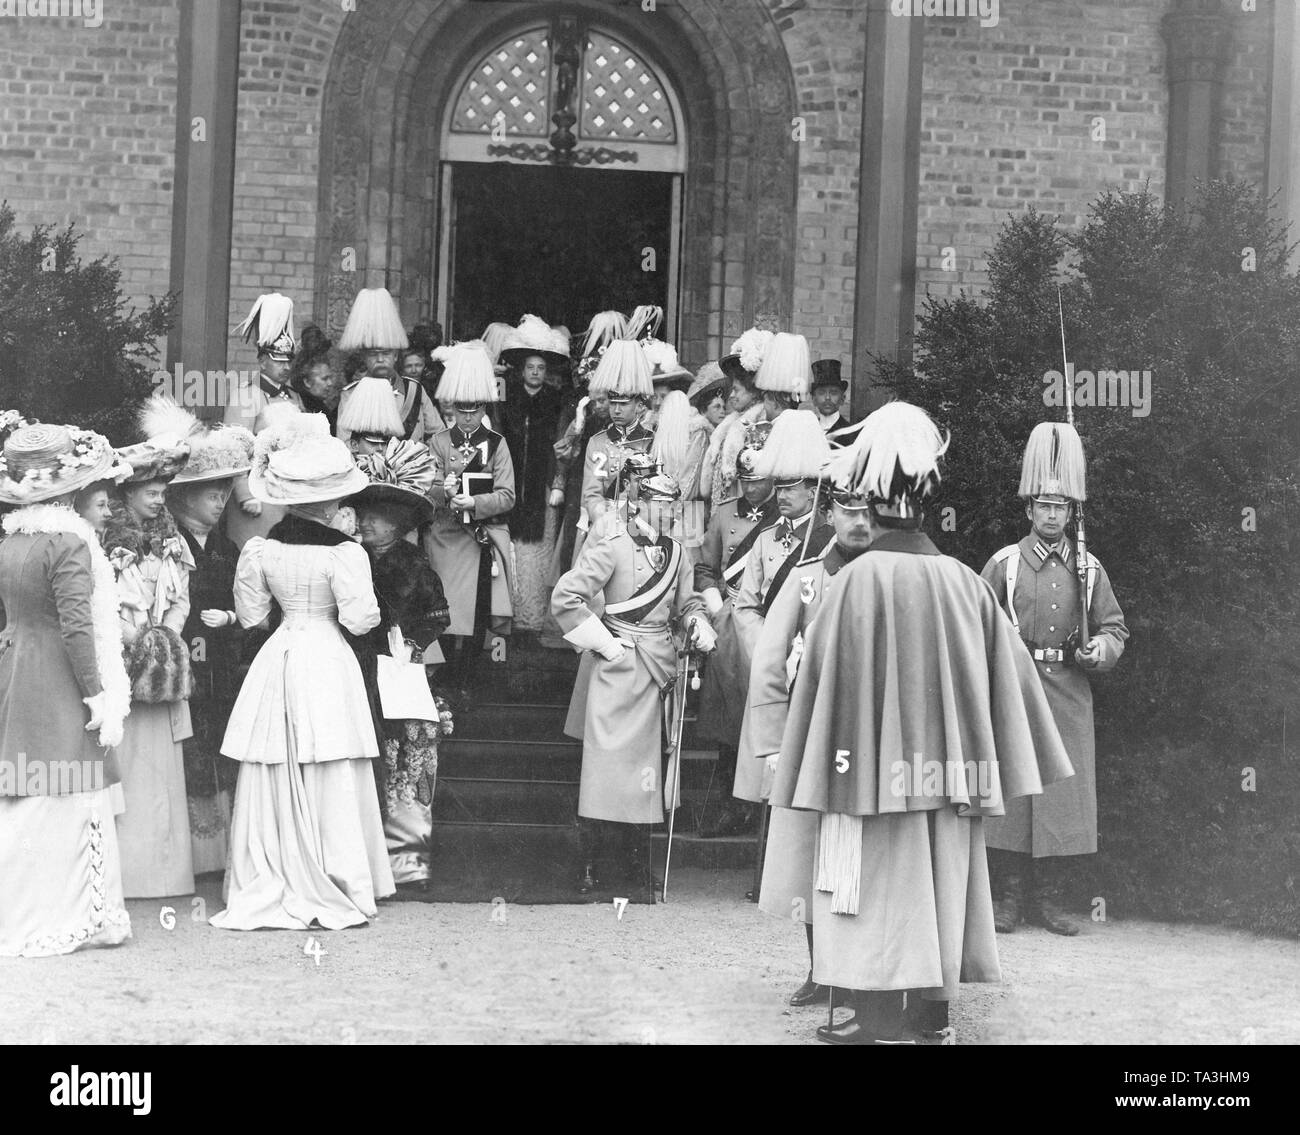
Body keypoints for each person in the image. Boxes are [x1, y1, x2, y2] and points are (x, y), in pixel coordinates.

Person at [768, 402, 1073, 1045]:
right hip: (947, 772)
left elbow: (819, 682)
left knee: (876, 879)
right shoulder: (965, 583)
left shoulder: (852, 583)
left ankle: (876, 1014)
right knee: (943, 875)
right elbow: (1011, 682)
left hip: (869, 772)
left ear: (873, 499)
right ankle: (934, 1015)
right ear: (927, 497)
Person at [212, 412, 393, 930]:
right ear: (333, 500)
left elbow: (251, 617)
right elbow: (361, 620)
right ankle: (338, 875)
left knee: (277, 757)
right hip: (326, 654)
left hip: (281, 652)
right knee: (329, 756)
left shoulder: (261, 548)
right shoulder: (345, 553)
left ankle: (274, 872)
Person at [981, 422, 1128, 936]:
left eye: (1060, 507)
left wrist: (1099, 649)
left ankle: (1050, 898)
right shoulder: (1004, 564)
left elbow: (1115, 627)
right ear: (1028, 509)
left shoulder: (1088, 568)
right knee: (1014, 795)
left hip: (1068, 688)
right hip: (1017, 690)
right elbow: (977, 625)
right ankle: (1008, 898)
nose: (1051, 515)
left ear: (1072, 512)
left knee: (1060, 795)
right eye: (1043, 505)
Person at [742, 467, 875, 1006]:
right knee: (812, 858)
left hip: (873, 739)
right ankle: (822, 969)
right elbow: (771, 662)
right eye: (847, 511)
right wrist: (774, 744)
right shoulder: (806, 576)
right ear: (829, 514)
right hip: (813, 737)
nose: (859, 522)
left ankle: (866, 972)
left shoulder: (894, 575)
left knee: (870, 855)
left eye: (867, 512)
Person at [0, 423, 133, 957]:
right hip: (56, 671)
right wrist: (99, 693)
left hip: (16, 665)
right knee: (66, 790)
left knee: (27, 790)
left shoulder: (13, 539)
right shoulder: (70, 541)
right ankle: (61, 916)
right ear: (73, 489)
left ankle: (46, 910)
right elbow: (78, 626)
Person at [553, 463, 717, 895]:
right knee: (605, 770)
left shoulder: (679, 553)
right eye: (660, 504)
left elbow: (686, 603)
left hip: (659, 670)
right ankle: (594, 865)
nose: (669, 512)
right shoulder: (612, 543)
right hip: (618, 666)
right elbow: (566, 597)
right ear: (640, 502)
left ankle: (637, 866)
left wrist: (698, 620)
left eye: (673, 505)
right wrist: (603, 644)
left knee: (647, 771)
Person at [346, 444, 451, 890]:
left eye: (377, 515)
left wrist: (411, 642)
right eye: (363, 514)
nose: (366, 522)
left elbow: (439, 615)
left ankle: (406, 864)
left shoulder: (415, 564)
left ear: (398, 523)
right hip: (356, 668)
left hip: (401, 672)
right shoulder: (348, 558)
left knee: (406, 762)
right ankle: (361, 862)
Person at [105, 402, 198, 900]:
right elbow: (103, 603)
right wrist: (134, 639)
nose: (159, 501)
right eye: (150, 492)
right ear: (129, 492)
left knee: (160, 771)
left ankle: (162, 872)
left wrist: (166, 636)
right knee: (127, 765)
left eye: (163, 493)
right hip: (124, 661)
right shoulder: (108, 542)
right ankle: (128, 872)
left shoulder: (172, 542)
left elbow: (181, 596)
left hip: (160, 664)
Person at [729, 410, 833, 809]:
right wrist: (770, 655)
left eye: (792, 488)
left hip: (812, 669)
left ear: (813, 490)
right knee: (767, 781)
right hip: (773, 670)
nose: (782, 495)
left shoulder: (831, 540)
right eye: (780, 487)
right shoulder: (765, 540)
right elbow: (746, 606)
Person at [166, 419, 256, 878]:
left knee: (219, 742)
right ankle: (192, 853)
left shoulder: (227, 546)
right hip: (181, 659)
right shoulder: (169, 543)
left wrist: (234, 619)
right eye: (211, 495)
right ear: (185, 497)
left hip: (220, 660)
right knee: (191, 745)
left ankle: (221, 849)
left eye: (224, 495)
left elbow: (250, 603)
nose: (221, 503)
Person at [694, 424, 778, 837]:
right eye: (745, 480)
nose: (750, 488)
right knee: (729, 720)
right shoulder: (724, 512)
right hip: (730, 626)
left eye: (758, 481)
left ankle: (760, 807)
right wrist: (716, 607)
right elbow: (705, 569)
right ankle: (729, 804)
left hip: (769, 623)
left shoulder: (786, 517)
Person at [424, 340, 516, 704]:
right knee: (442, 608)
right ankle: (441, 678)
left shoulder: (497, 444)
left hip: (478, 538)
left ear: (483, 407)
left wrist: (475, 502)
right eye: (460, 410)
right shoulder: (437, 442)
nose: (466, 418)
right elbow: (425, 488)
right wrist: (442, 491)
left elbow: (508, 495)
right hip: (444, 535)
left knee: (476, 613)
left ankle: (467, 678)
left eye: (474, 410)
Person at [499, 316, 569, 631]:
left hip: (540, 486)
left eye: (541, 368)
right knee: (513, 548)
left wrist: (557, 482)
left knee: (538, 550)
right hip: (512, 484)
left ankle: (534, 614)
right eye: (531, 368)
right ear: (523, 370)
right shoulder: (507, 398)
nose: (536, 373)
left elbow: (561, 443)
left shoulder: (554, 401)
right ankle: (509, 611)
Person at [225, 292, 303, 549]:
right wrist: (244, 494)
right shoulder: (247, 395)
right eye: (277, 360)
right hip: (258, 493)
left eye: (288, 360)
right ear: (262, 360)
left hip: (289, 493)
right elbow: (235, 448)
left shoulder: (294, 398)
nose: (285, 367)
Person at [337, 287, 442, 444]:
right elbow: (344, 444)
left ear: (395, 356)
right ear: (364, 357)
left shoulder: (414, 390)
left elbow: (439, 436)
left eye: (386, 353)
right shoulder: (351, 394)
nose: (380, 359)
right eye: (373, 354)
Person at [579, 339, 656, 532]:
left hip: (639, 527)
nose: (616, 410)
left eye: (623, 404)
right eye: (613, 403)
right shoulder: (597, 442)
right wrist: (605, 522)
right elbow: (592, 492)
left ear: (639, 406)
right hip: (603, 526)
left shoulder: (651, 442)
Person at [701, 327, 773, 515]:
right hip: (724, 504)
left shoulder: (760, 423)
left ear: (754, 390)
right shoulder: (732, 422)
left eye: (737, 390)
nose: (731, 396)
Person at [289, 325, 342, 432]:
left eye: (330, 378)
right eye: (324, 379)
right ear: (307, 382)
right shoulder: (300, 408)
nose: (330, 383)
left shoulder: (320, 409)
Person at [809, 359, 853, 440]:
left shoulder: (851, 434)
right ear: (814, 399)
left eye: (833, 392)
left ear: (842, 399)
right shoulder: (808, 432)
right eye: (822, 392)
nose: (827, 398)